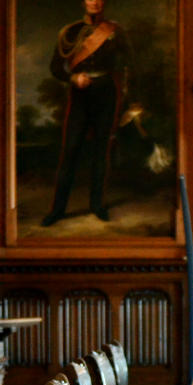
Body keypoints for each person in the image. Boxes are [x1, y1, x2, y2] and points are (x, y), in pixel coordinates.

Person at [42, 0, 138, 226]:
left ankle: (97, 205)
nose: (94, 2)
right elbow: (56, 67)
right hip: (80, 96)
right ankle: (57, 209)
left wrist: (134, 101)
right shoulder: (70, 32)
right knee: (70, 150)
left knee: (101, 150)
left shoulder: (116, 31)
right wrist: (73, 78)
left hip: (106, 93)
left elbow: (132, 65)